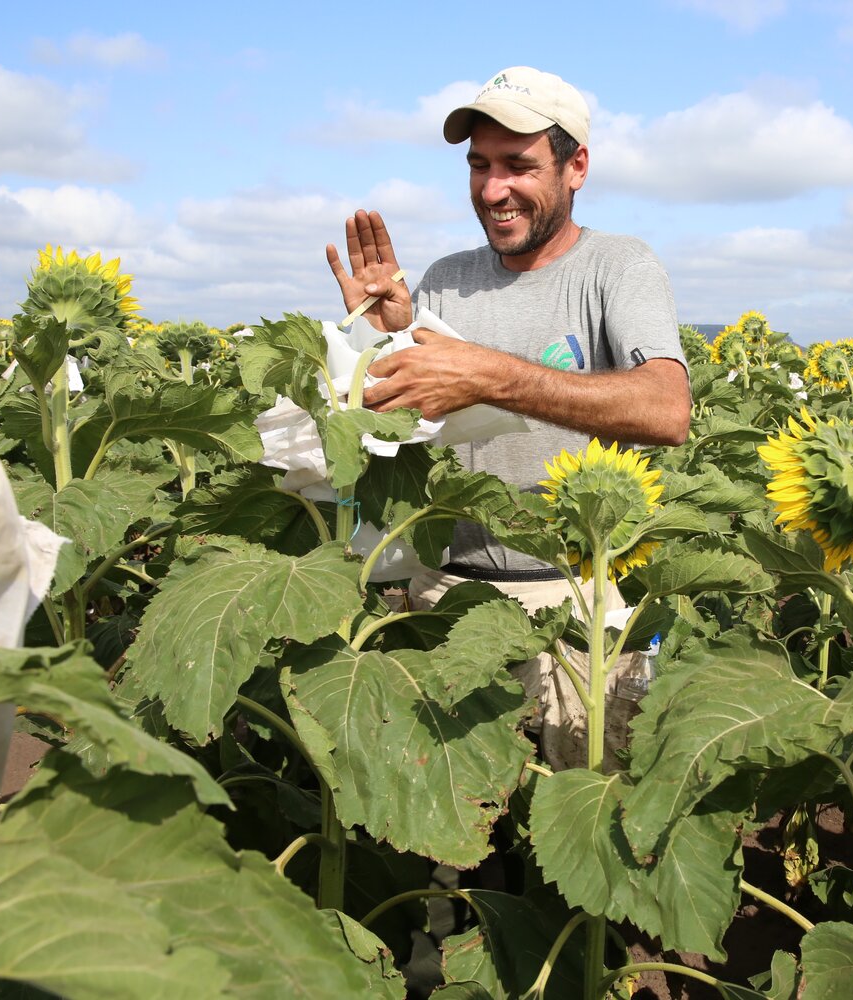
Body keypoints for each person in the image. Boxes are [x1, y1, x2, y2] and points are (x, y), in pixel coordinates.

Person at [325, 66, 691, 769]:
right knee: (451, 831)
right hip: (444, 597)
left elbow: (665, 408)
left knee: (582, 812)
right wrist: (382, 337)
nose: (493, 190)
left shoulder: (616, 268)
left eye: (518, 166)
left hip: (573, 604)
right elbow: (404, 425)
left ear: (575, 166)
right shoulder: (443, 278)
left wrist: (493, 374)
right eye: (479, 166)